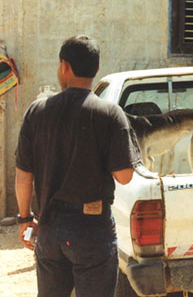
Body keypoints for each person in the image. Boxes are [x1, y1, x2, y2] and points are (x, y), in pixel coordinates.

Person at [15, 35, 141, 296]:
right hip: (92, 231)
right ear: (96, 69)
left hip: (49, 228)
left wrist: (25, 219)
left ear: (64, 66)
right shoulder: (109, 114)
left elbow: (23, 175)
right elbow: (125, 176)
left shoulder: (36, 112)